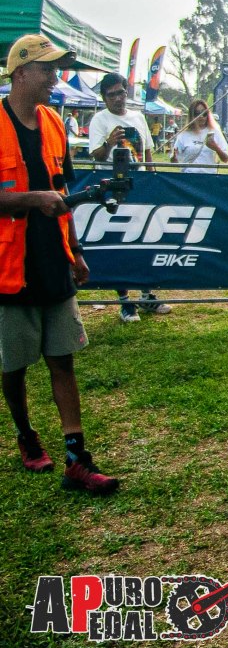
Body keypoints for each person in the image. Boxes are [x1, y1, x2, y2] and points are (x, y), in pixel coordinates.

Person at [1, 35, 118, 493]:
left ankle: (76, 458)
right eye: (47, 69)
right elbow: (42, 195)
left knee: (62, 359)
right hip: (9, 268)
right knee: (13, 365)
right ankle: (26, 435)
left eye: (56, 69)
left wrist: (77, 251)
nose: (55, 77)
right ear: (21, 73)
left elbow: (62, 193)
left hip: (53, 258)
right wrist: (34, 200)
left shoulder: (53, 122)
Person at [86, 72, 163, 322]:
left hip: (140, 184)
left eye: (121, 92)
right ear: (104, 97)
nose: (118, 98)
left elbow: (148, 151)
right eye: (112, 95)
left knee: (146, 239)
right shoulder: (99, 120)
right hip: (112, 187)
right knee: (119, 241)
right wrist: (109, 142)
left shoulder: (138, 116)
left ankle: (147, 294)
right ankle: (125, 301)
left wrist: (152, 176)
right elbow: (96, 155)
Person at [172, 99, 228, 172]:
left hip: (209, 176)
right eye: (197, 113)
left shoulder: (215, 131)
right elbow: (174, 161)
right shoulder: (184, 134)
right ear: (192, 115)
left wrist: (215, 147)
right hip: (188, 176)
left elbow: (225, 159)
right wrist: (174, 157)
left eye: (204, 113)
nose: (201, 116)